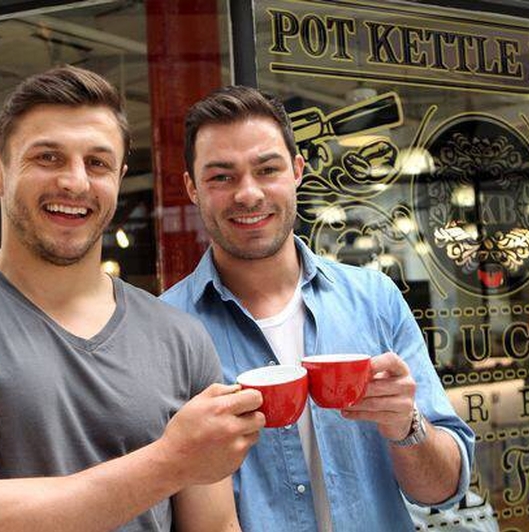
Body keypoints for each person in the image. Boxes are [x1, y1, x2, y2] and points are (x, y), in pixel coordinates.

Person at [0, 66, 265, 532]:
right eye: (48, 157)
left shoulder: (180, 337)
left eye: (97, 163)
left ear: (119, 177)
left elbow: (214, 526)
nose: (75, 183)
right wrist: (169, 462)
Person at [161, 86, 475, 531]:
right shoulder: (165, 329)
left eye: (267, 169)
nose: (248, 194)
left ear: (296, 171)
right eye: (221, 177)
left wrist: (407, 427)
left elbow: (443, 490)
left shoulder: (374, 300)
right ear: (192, 188)